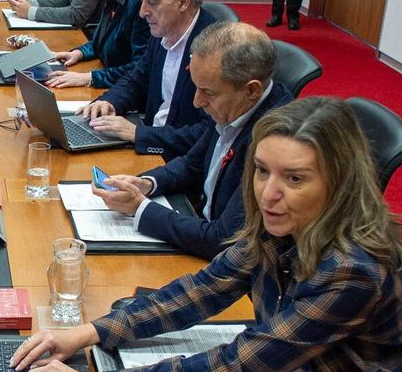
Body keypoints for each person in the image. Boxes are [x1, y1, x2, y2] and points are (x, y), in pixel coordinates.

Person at [13, 96, 402, 372]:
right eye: (262, 171)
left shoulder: (351, 270)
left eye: (295, 178)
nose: (269, 193)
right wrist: (88, 333)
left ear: (338, 183)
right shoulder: (288, 222)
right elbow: (202, 290)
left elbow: (241, 368)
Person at [91, 23, 295, 259]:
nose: (197, 102)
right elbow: (192, 164)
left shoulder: (275, 141)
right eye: (196, 88)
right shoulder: (233, 106)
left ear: (251, 90)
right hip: (196, 223)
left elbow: (223, 239)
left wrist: (140, 209)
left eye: (208, 92)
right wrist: (146, 183)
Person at [80, 0, 220, 158]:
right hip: (150, 142)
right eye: (142, 1)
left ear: (182, 1)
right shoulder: (164, 30)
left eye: (152, 3)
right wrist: (109, 102)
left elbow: (206, 133)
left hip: (175, 158)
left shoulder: (214, 50)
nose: (142, 12)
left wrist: (138, 134)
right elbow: (137, 79)